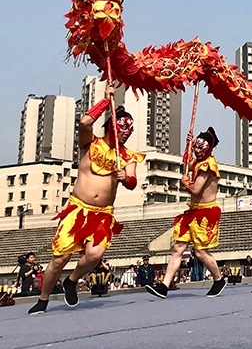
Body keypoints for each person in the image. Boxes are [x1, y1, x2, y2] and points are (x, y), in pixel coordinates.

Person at [28, 85, 144, 315]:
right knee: (59, 259)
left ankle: (71, 281)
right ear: (112, 125)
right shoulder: (90, 143)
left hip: (103, 214)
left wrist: (126, 179)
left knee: (95, 254)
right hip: (77, 210)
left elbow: (133, 181)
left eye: (130, 129)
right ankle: (43, 299)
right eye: (123, 127)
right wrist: (104, 101)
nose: (127, 132)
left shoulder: (128, 156)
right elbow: (84, 123)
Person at [146, 127, 227, 298]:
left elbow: (196, 189)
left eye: (200, 148)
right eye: (196, 148)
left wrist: (186, 183)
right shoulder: (198, 161)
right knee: (178, 248)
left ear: (208, 149)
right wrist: (188, 145)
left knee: (200, 252)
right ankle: (164, 286)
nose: (197, 151)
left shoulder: (208, 165)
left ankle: (218, 279)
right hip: (192, 212)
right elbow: (187, 163)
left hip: (206, 213)